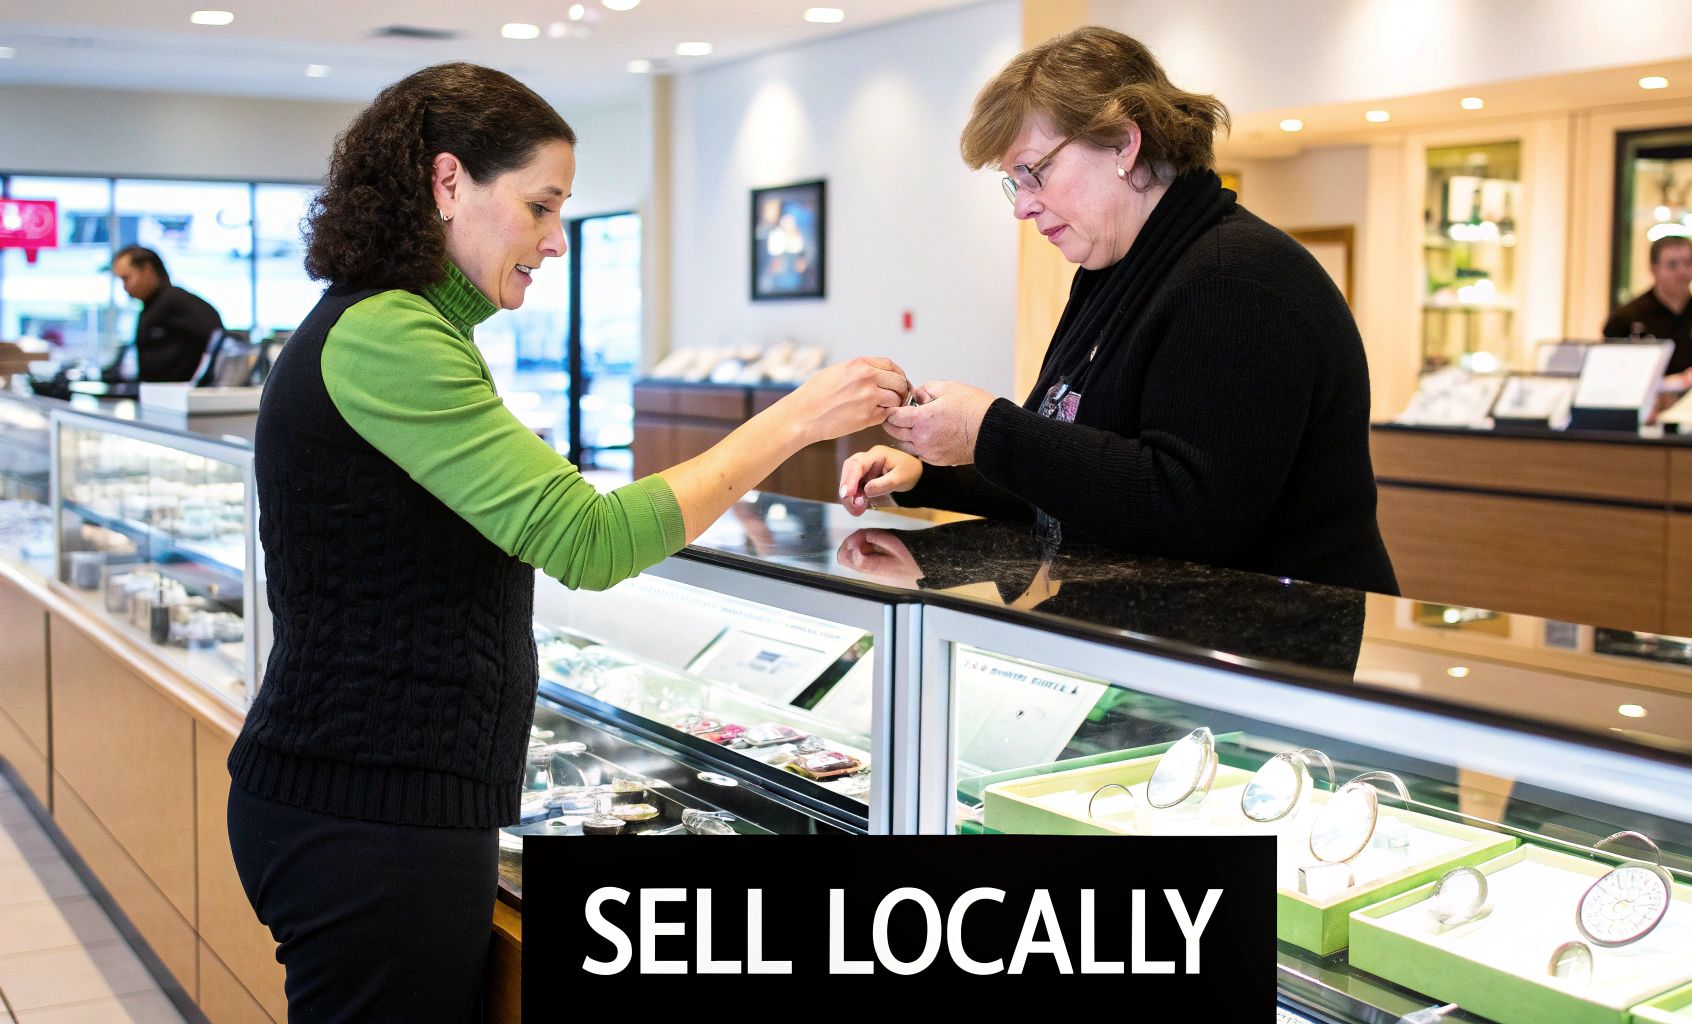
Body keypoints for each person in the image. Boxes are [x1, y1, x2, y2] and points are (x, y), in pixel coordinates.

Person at [225, 63, 906, 1023]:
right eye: (541, 206)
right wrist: (794, 420)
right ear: (448, 180)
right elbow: (589, 541)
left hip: (374, 805)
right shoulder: (388, 335)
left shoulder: (411, 327)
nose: (555, 239)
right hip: (370, 822)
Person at [839, 26, 1396, 595]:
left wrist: (989, 430)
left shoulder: (1235, 279)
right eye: (1014, 184)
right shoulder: (1117, 271)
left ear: (1124, 145)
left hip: (1267, 654)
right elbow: (1077, 470)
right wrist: (931, 475)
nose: (1024, 207)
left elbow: (1187, 508)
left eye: (1035, 172)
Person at [1602, 235, 1692, 387]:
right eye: (1672, 265)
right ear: (1654, 269)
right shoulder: (1626, 318)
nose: (1682, 271)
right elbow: (1610, 375)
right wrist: (1666, 385)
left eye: (1688, 263)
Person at [107, 245, 223, 381]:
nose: (125, 287)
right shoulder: (153, 306)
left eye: (126, 278)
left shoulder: (178, 302)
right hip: (159, 394)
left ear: (147, 270)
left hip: (178, 395)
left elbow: (218, 339)